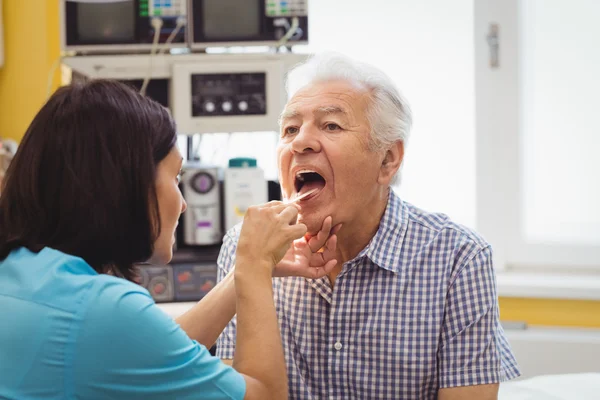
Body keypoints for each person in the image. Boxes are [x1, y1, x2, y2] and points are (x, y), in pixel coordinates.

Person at [0, 79, 340, 400]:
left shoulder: (24, 274)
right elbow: (263, 394)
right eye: (176, 176)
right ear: (126, 184)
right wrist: (253, 265)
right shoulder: (102, 310)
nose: (183, 203)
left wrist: (250, 270)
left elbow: (148, 348)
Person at [216, 52, 521, 400]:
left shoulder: (458, 258)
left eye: (331, 125)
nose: (300, 142)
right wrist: (251, 268)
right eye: (290, 129)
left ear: (388, 160)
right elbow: (234, 391)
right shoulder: (246, 246)